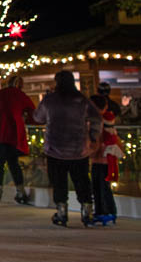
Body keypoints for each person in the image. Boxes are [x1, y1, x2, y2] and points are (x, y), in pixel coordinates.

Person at [33, 69, 102, 227]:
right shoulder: (81, 99)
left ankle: (62, 212)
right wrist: (93, 136)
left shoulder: (50, 100)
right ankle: (87, 211)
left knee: (59, 182)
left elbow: (38, 117)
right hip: (78, 149)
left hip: (55, 148)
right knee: (82, 180)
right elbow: (96, 117)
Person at [0, 75, 35, 206]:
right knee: (13, 163)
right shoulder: (21, 96)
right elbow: (33, 113)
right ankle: (20, 192)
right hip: (11, 133)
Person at [91, 109, 123, 226]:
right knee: (104, 189)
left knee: (99, 188)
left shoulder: (101, 135)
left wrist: (90, 152)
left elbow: (95, 149)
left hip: (98, 164)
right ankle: (108, 212)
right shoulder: (113, 134)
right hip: (108, 165)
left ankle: (103, 211)